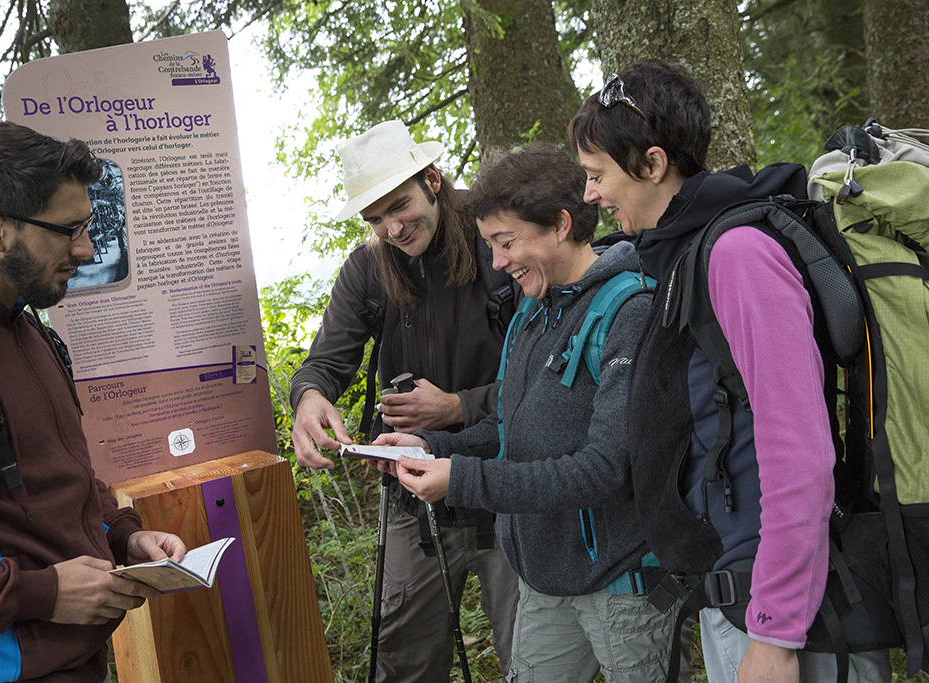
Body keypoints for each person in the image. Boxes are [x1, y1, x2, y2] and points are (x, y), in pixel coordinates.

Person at [569, 59, 891, 683]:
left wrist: (775, 633)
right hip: (743, 600)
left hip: (786, 618)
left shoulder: (738, 255)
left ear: (653, 163)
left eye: (596, 174)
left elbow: (798, 450)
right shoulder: (682, 256)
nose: (589, 195)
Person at [382, 143, 682, 683]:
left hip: (621, 587)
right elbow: (507, 426)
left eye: (506, 242)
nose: (498, 263)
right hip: (543, 579)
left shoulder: (628, 313)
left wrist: (463, 479)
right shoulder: (532, 312)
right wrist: (433, 448)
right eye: (491, 245)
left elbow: (606, 469)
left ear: (561, 225)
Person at [0, 118, 186, 683]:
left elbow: (58, 474)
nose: (85, 249)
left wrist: (123, 533)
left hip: (79, 663)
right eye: (68, 230)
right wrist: (40, 593)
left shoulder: (30, 326)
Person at [289, 120, 519, 682]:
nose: (392, 228)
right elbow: (326, 360)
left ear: (433, 179)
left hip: (508, 489)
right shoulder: (369, 268)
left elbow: (548, 380)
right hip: (413, 500)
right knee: (406, 661)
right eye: (374, 219)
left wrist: (458, 407)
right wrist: (309, 398)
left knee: (532, 658)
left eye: (400, 206)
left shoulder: (500, 246)